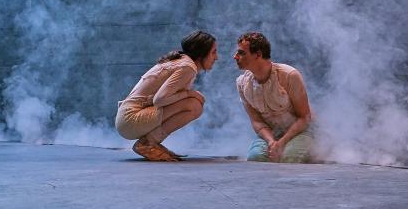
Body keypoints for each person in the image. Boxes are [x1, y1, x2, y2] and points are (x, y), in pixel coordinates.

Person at [116, 30, 217, 161]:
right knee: (194, 105)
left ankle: (150, 142)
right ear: (201, 53)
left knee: (193, 102)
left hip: (127, 119)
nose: (216, 57)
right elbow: (160, 99)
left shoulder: (182, 62)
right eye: (213, 52)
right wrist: (190, 93)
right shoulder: (188, 67)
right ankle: (147, 143)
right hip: (130, 119)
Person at [233, 31, 315, 163]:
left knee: (290, 158)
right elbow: (256, 121)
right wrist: (272, 142)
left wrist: (282, 142)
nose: (235, 57)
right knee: (256, 157)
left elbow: (305, 117)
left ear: (258, 54)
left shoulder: (289, 75)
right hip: (272, 134)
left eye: (241, 53)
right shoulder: (242, 84)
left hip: (301, 130)